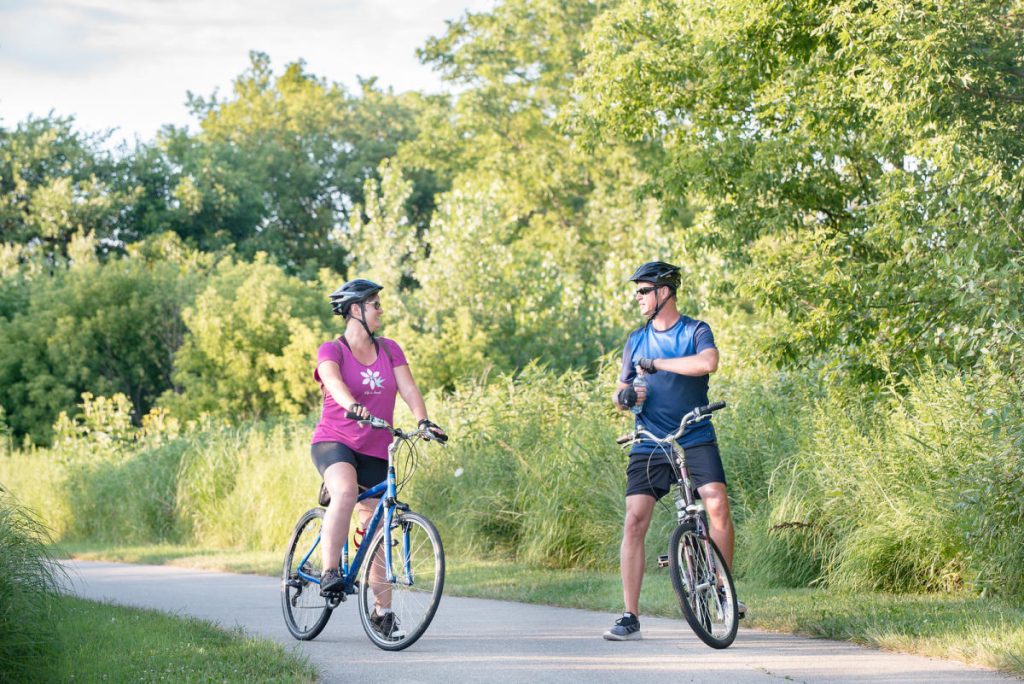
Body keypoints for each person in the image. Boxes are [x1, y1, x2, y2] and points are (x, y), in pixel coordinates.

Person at [603, 261, 745, 641]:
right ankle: (630, 615)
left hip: (693, 433)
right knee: (634, 519)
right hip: (649, 439)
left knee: (716, 503)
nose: (637, 297)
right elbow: (619, 392)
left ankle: (721, 588)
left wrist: (656, 364)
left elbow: (707, 363)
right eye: (637, 291)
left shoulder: (696, 330)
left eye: (643, 290)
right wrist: (628, 395)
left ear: (664, 292)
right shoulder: (635, 339)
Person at [310, 278, 446, 638]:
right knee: (344, 491)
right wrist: (351, 405)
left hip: (376, 448)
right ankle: (329, 571)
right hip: (335, 441)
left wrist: (423, 421)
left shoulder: (390, 350)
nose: (380, 310)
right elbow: (332, 381)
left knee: (377, 529)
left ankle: (382, 611)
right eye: (374, 304)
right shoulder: (333, 349)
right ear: (355, 311)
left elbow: (409, 388)